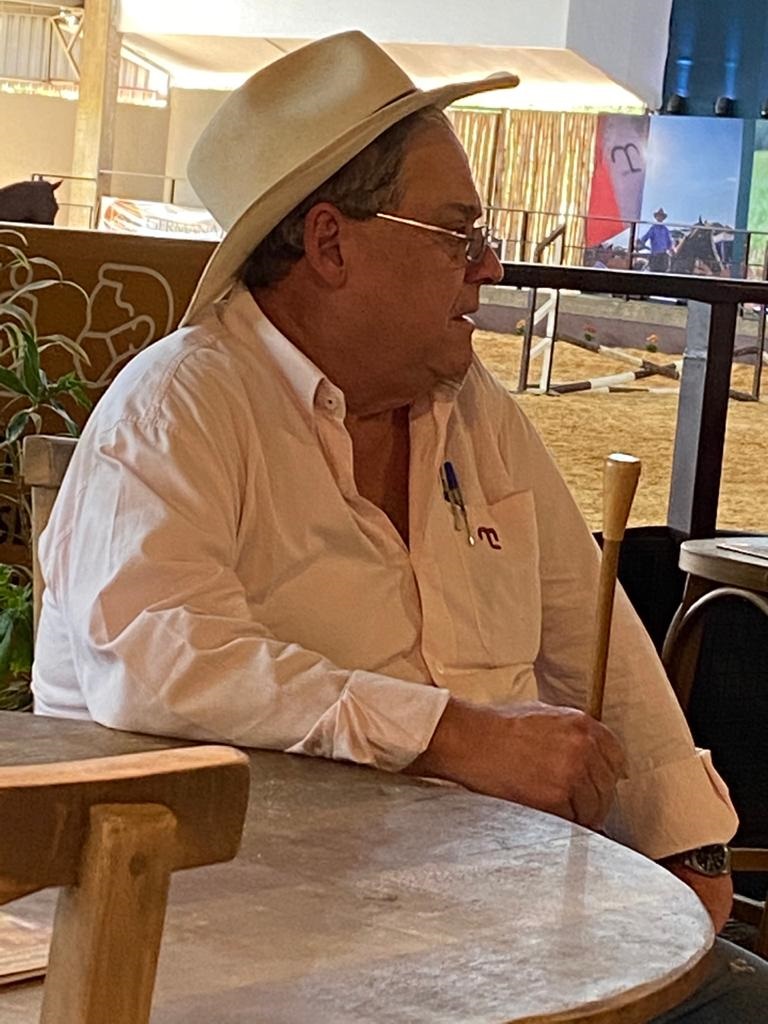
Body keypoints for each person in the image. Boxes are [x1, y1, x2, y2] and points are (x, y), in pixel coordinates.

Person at [32, 32, 767, 1018]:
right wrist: (452, 735)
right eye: (457, 235)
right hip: (235, 953)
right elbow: (163, 662)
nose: (488, 265)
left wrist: (686, 839)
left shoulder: (472, 407)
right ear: (332, 244)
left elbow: (587, 632)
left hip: (483, 926)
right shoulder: (179, 408)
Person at [638, 207, 675, 272]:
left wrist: (671, 248)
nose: (660, 218)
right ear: (656, 218)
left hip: (663, 256)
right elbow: (646, 237)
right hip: (655, 255)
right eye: (659, 216)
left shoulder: (665, 230)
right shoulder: (653, 228)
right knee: (653, 271)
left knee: (666, 271)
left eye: (661, 216)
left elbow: (669, 242)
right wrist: (640, 243)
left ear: (663, 218)